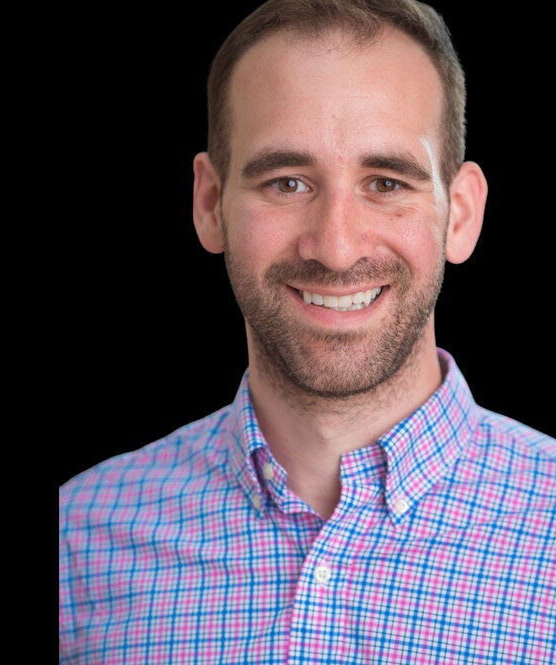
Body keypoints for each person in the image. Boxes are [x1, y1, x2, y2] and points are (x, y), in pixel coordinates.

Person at [58, 0, 556, 662]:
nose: (337, 247)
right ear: (210, 205)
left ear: (460, 214)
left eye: (385, 181)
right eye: (287, 181)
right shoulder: (76, 534)